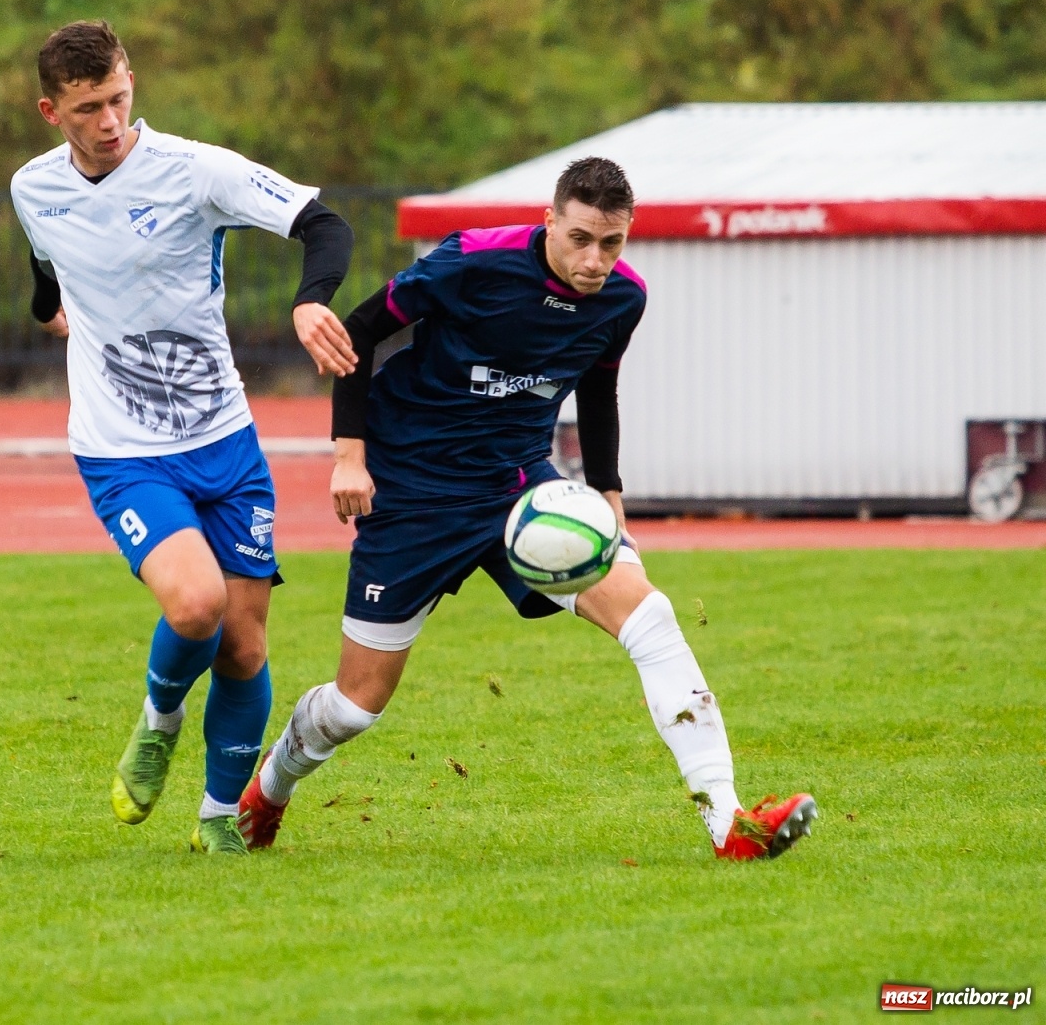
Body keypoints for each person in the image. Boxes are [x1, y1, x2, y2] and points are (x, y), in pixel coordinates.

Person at [237, 157, 817, 861]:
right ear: (549, 220)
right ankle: (271, 785)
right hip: (413, 488)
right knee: (356, 705)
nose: (595, 260)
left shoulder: (622, 299)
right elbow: (357, 333)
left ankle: (730, 824)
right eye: (580, 239)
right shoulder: (470, 262)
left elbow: (598, 390)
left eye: (612, 243)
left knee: (652, 618)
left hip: (522, 490)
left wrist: (607, 496)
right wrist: (348, 457)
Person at [9, 20, 359, 855]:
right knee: (197, 604)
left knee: (242, 644)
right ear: (50, 110)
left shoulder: (195, 170)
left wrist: (312, 297)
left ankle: (216, 820)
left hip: (224, 440)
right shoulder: (33, 189)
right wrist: (58, 318)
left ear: (133, 81)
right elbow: (46, 272)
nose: (109, 121)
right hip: (121, 447)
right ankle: (160, 717)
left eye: (120, 98)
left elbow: (325, 224)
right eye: (89, 108)